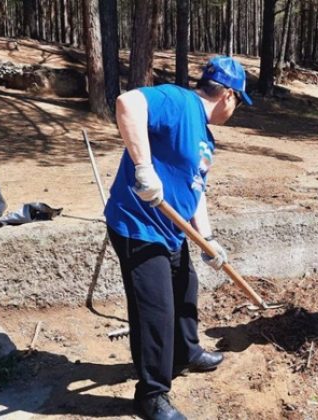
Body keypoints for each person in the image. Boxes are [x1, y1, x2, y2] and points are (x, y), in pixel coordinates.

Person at [104, 56, 252, 420]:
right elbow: (128, 103)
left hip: (171, 230)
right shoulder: (178, 101)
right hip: (137, 226)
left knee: (186, 286)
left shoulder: (205, 137)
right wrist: (143, 169)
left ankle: (186, 352)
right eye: (238, 104)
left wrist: (208, 239)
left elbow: (196, 190)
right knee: (155, 311)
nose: (236, 112)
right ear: (228, 96)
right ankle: (151, 394)